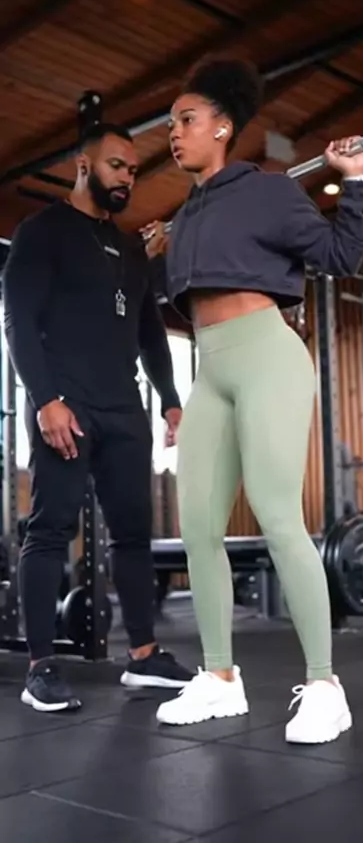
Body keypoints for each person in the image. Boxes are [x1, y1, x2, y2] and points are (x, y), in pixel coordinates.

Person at [147, 56, 363, 745]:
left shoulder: (269, 192)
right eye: (171, 124)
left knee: (277, 514)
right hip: (210, 370)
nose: (174, 133)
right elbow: (180, 296)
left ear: (223, 126)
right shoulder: (186, 216)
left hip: (268, 357)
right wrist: (160, 252)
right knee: (198, 527)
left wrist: (354, 180)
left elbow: (340, 253)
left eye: (186, 120)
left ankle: (327, 687)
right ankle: (220, 678)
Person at [3, 123, 193, 713]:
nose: (126, 178)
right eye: (116, 166)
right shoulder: (43, 231)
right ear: (83, 166)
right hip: (68, 405)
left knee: (133, 534)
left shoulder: (132, 250)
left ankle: (143, 656)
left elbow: (150, 333)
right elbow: (17, 321)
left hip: (124, 410)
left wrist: (170, 400)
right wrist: (45, 400)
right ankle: (40, 668)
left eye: (132, 171)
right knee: (49, 530)